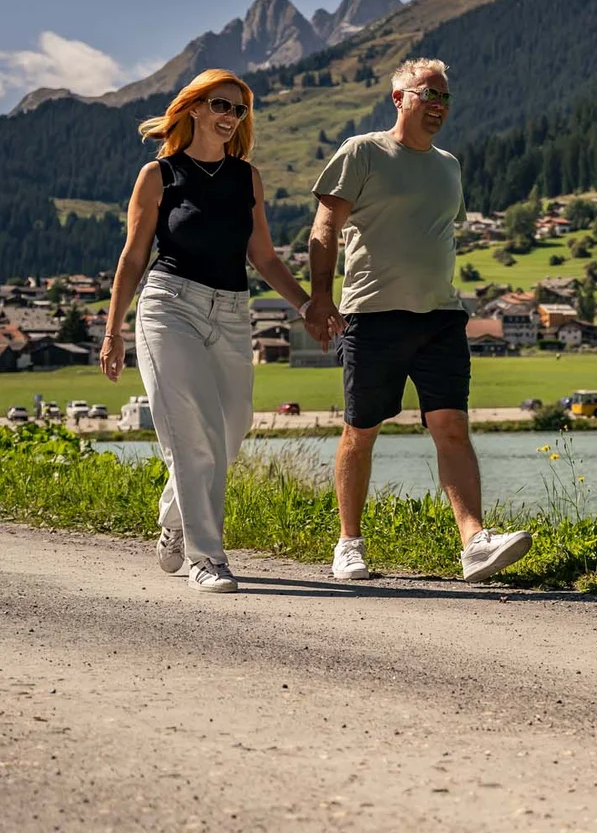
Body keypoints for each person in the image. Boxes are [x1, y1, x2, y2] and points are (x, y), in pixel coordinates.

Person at [304, 57, 531, 583]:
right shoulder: (363, 151)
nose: (438, 105)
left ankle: (474, 541)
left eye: (445, 97)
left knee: (451, 426)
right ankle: (349, 544)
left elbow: (439, 235)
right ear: (398, 98)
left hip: (440, 318)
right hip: (372, 314)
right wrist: (319, 296)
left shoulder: (448, 165)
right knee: (361, 430)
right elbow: (325, 226)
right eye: (428, 93)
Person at [99, 69, 321, 593]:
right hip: (169, 307)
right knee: (192, 434)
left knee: (233, 424)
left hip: (232, 310)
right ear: (194, 107)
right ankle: (207, 557)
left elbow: (262, 255)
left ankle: (175, 517)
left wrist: (306, 303)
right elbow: (133, 258)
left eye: (239, 110)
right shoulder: (160, 175)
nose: (230, 118)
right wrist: (113, 331)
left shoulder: (248, 178)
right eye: (221, 106)